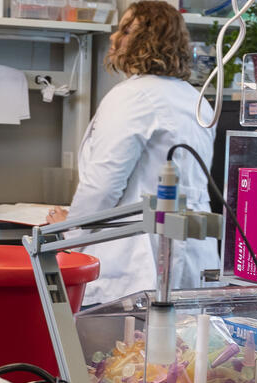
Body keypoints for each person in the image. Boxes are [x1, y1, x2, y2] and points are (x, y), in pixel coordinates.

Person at [46, 1, 218, 305]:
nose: (115, 38)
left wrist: (69, 228)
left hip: (136, 263)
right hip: (194, 258)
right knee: (184, 349)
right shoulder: (195, 98)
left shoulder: (133, 97)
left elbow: (103, 185)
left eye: (126, 30)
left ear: (147, 39)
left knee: (126, 349)